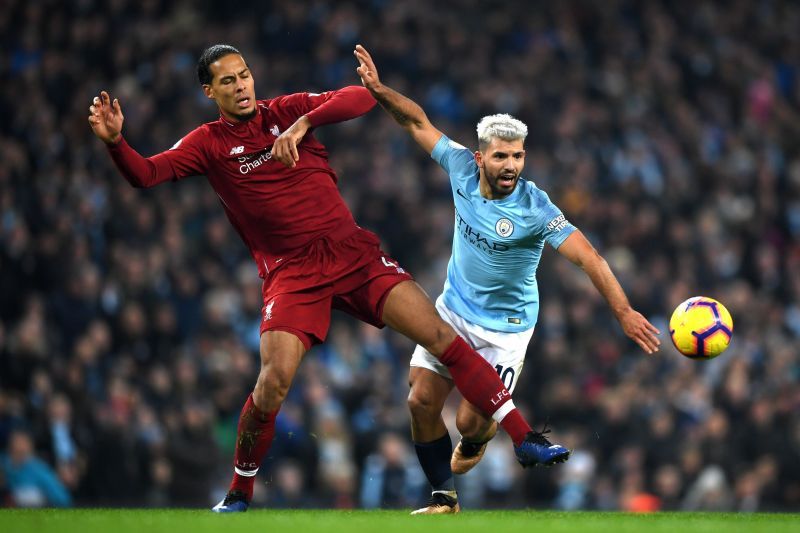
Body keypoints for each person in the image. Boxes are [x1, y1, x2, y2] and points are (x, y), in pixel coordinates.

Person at [88, 44, 571, 513]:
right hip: (291, 274)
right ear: (208, 92)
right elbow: (146, 175)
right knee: (273, 382)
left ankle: (523, 438)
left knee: (441, 336)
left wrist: (305, 122)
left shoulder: (287, 110)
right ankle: (239, 491)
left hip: (351, 254)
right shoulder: (208, 144)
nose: (241, 86)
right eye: (227, 81)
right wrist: (116, 144)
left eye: (244, 75)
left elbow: (360, 98)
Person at [353, 44, 661, 514]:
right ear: (480, 158)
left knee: (470, 421)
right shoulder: (458, 166)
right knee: (418, 402)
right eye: (501, 157)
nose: (512, 166)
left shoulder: (536, 207)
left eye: (518, 156)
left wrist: (623, 311)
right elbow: (416, 122)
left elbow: (590, 259)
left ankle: (478, 441)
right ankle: (444, 498)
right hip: (452, 311)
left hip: (506, 329)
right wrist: (377, 91)